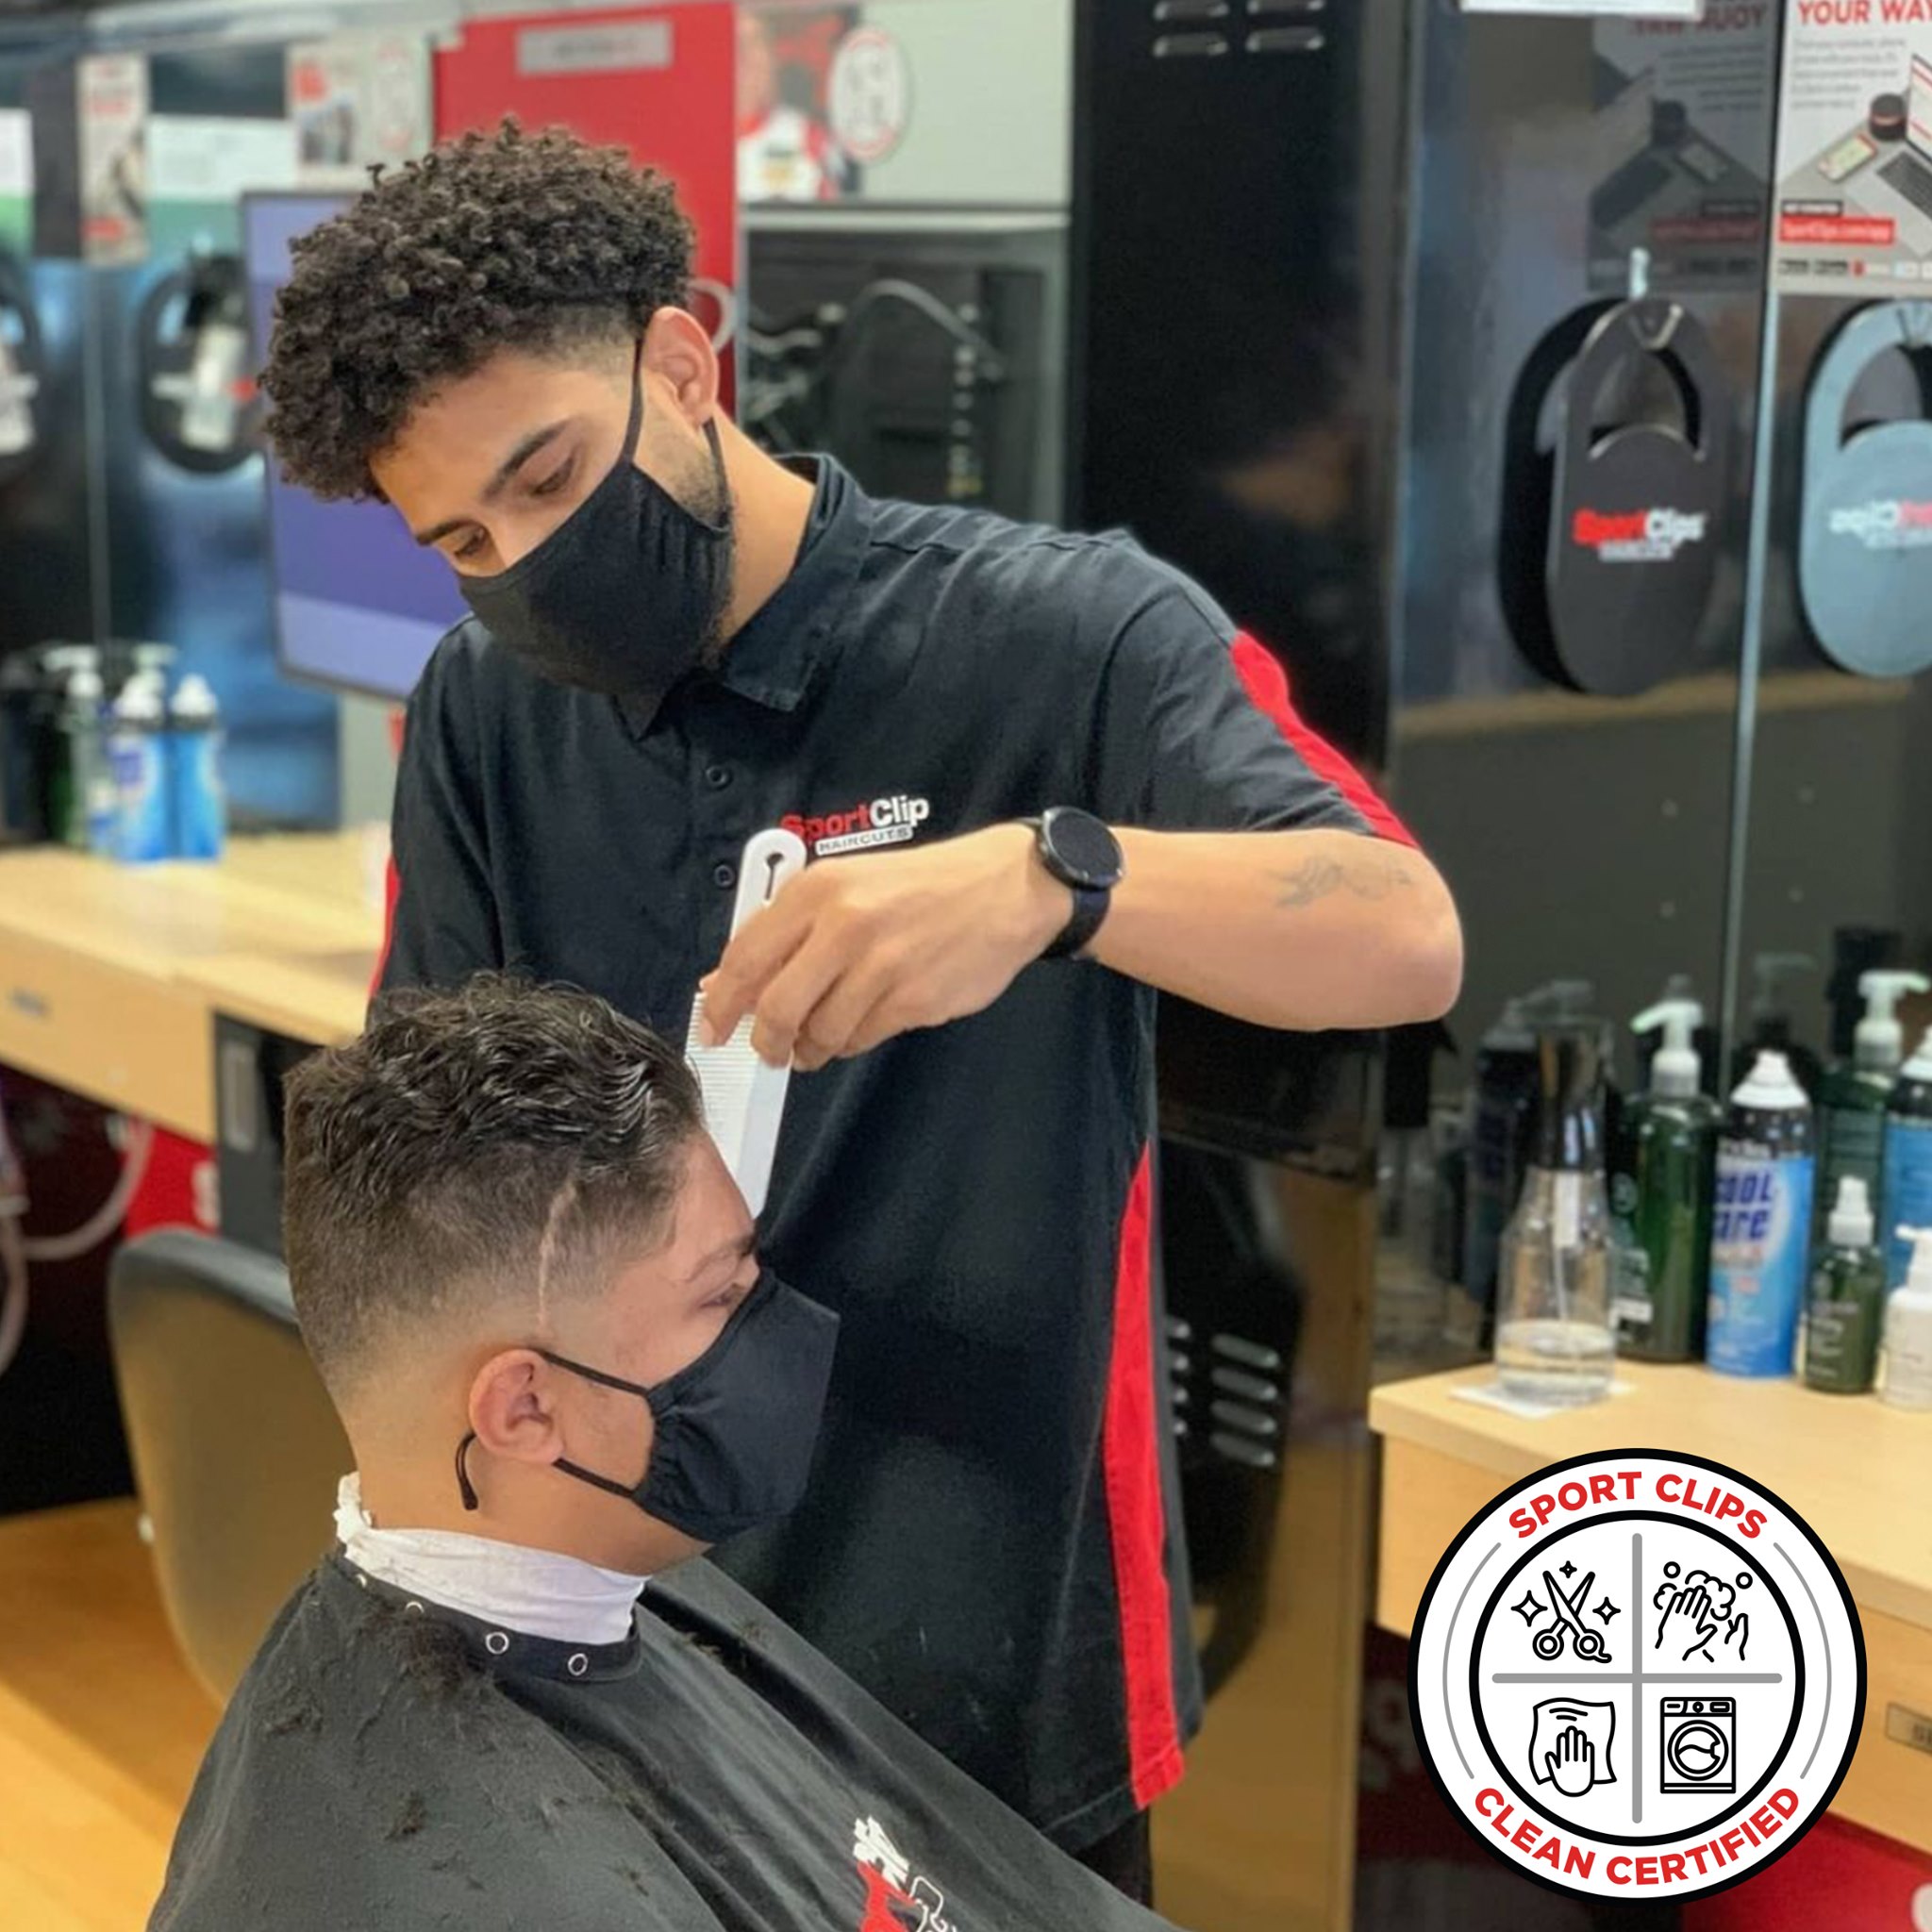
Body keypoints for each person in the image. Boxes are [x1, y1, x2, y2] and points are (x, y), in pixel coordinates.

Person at [259, 121, 1463, 1898]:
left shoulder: (1066, 637)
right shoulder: (486, 714)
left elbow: (1403, 933)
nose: (525, 561)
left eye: (550, 474)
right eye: (464, 538)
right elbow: (428, 1168)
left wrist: (1056, 880)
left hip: (985, 1624)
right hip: (634, 1634)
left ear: (683, 363)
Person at [151, 976, 1186, 1932]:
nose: (772, 1326)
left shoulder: (618, 1583)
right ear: (524, 1408)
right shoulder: (497, 1889)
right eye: (720, 1295)